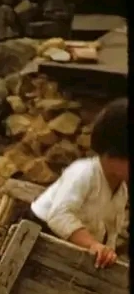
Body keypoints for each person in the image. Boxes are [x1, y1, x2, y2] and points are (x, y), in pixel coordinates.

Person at [29, 97, 128, 268]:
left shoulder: (121, 192)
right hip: (39, 238)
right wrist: (93, 245)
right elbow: (59, 216)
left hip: (72, 251)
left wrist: (107, 253)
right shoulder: (84, 173)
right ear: (111, 153)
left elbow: (111, 232)